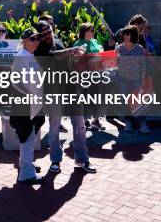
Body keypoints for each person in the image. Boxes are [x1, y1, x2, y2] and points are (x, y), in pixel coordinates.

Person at [36, 20, 97, 174]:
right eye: (44, 34)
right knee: (54, 127)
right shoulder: (38, 48)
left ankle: (82, 159)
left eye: (49, 31)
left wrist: (76, 56)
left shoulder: (58, 39)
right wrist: (69, 51)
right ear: (40, 36)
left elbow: (68, 61)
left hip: (71, 87)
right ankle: (55, 160)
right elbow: (52, 57)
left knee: (80, 125)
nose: (48, 35)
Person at [9, 28, 46, 184]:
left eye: (38, 39)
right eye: (33, 39)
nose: (36, 42)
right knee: (27, 137)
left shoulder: (29, 56)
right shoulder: (22, 57)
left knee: (29, 136)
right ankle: (26, 173)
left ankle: (27, 164)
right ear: (24, 41)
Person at [116, 25, 151, 134]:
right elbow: (115, 63)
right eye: (124, 34)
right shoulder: (119, 48)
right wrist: (115, 53)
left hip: (136, 79)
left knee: (138, 103)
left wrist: (143, 78)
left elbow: (143, 65)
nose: (125, 36)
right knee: (125, 102)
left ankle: (142, 123)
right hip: (123, 79)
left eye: (128, 34)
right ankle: (128, 122)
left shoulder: (139, 48)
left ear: (133, 35)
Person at [73, 23, 106, 131]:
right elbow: (75, 59)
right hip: (85, 75)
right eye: (91, 30)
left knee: (98, 97)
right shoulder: (79, 43)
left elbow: (101, 51)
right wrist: (89, 56)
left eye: (93, 30)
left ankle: (95, 120)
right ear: (84, 32)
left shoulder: (95, 41)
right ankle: (85, 120)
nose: (93, 32)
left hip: (98, 73)